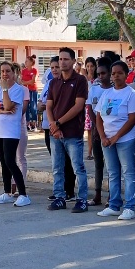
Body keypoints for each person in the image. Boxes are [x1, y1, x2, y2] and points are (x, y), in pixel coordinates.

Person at [95, 60, 135, 220]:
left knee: (128, 173)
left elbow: (132, 118)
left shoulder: (131, 94)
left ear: (126, 74)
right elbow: (99, 117)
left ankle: (130, 207)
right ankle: (114, 205)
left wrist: (117, 136)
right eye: (113, 73)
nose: (116, 76)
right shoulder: (107, 93)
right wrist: (103, 136)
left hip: (126, 139)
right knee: (113, 173)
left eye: (120, 73)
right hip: (107, 140)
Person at [46, 48, 90, 212]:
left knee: (78, 168)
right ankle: (59, 197)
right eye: (60, 59)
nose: (62, 62)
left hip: (72, 132)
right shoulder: (54, 82)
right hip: (55, 133)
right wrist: (53, 125)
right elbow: (49, 106)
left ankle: (82, 199)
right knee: (57, 168)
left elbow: (78, 106)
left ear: (73, 61)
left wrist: (58, 123)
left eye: (66, 59)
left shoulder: (80, 80)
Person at [0, 62, 30, 206]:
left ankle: (23, 194)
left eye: (8, 71)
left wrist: (5, 90)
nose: (5, 74)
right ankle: (7, 192)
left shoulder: (18, 89)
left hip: (11, 132)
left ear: (14, 73)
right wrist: (2, 111)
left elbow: (8, 105)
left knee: (11, 162)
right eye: (2, 71)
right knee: (3, 163)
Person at [41, 56, 76, 199]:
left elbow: (59, 104)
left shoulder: (67, 84)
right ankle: (59, 190)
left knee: (66, 160)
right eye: (52, 68)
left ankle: (69, 190)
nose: (55, 70)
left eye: (57, 67)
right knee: (56, 161)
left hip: (62, 126)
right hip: (48, 125)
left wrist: (47, 106)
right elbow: (41, 103)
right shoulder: (49, 83)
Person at [87, 63, 109, 205]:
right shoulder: (93, 89)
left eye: (103, 73)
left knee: (112, 166)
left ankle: (112, 195)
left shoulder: (113, 90)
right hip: (96, 130)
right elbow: (90, 108)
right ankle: (97, 194)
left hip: (110, 131)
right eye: (98, 74)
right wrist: (96, 127)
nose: (100, 76)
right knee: (98, 163)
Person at [22, 55, 39, 131]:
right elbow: (21, 81)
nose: (25, 62)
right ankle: (27, 123)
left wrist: (26, 82)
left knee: (33, 106)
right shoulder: (23, 71)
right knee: (26, 107)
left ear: (31, 62)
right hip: (25, 90)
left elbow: (33, 81)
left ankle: (34, 124)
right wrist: (28, 82)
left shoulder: (34, 70)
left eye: (27, 61)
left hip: (33, 90)